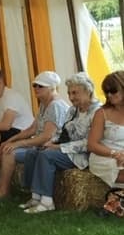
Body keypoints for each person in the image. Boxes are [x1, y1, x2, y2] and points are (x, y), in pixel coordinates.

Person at [19, 72, 102, 213]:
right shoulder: (72, 110)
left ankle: (47, 202)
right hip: (67, 149)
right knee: (33, 152)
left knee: (47, 156)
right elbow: (63, 132)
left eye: (75, 93)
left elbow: (88, 143)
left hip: (84, 155)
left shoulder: (98, 112)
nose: (71, 97)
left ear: (88, 91)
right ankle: (36, 196)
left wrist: (58, 147)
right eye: (69, 93)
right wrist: (51, 142)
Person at [0, 71, 69, 203]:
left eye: (40, 86)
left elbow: (47, 136)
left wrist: (17, 144)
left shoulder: (56, 106)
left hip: (50, 147)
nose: (36, 88)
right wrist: (10, 140)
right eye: (34, 85)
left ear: (52, 88)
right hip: (41, 145)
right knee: (9, 148)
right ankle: (3, 188)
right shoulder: (44, 103)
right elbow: (32, 129)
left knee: (10, 152)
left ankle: (5, 191)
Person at [87, 71, 124, 188]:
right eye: (106, 92)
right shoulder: (101, 113)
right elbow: (92, 145)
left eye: (113, 91)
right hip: (105, 157)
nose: (109, 95)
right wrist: (115, 154)